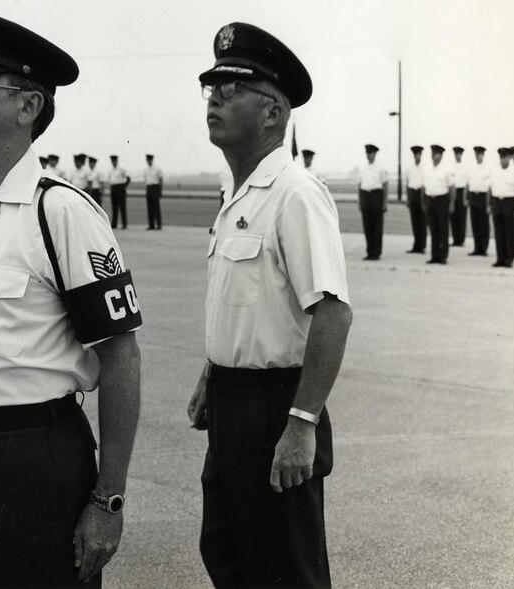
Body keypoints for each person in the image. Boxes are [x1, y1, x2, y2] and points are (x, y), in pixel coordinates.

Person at [0, 11, 142, 588]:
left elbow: (120, 354)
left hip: (33, 461)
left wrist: (108, 499)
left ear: (28, 106)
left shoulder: (61, 211)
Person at [189, 21, 352, 588]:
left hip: (276, 407)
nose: (215, 98)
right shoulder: (237, 193)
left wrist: (302, 424)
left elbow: (332, 313)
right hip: (232, 404)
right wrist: (213, 373)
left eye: (232, 89)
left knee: (285, 570)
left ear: (273, 113)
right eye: (211, 88)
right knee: (229, 556)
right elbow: (248, 303)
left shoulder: (295, 194)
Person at [489, 147, 514, 268]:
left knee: (509, 233)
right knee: (498, 233)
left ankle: (509, 259)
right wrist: (489, 205)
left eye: (505, 157)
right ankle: (500, 259)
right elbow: (490, 188)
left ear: (509, 158)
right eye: (501, 157)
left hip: (510, 202)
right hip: (497, 202)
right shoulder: (494, 170)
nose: (503, 160)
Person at [356, 143, 387, 260]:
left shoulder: (380, 168)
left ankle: (376, 252)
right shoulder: (362, 168)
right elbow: (359, 185)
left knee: (377, 227)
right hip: (365, 196)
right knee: (367, 226)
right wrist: (360, 201)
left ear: (375, 154)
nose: (369, 155)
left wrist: (384, 203)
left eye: (371, 153)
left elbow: (385, 185)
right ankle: (369, 251)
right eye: (367, 153)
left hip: (376, 196)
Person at [423, 144, 453, 264]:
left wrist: (451, 204)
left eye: (436, 154)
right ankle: (434, 255)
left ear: (440, 156)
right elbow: (424, 186)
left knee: (443, 229)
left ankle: (443, 256)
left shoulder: (446, 170)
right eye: (432, 153)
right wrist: (425, 202)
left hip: (442, 200)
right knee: (433, 229)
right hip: (430, 200)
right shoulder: (428, 169)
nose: (434, 156)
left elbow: (452, 188)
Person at [466, 146, 492, 256]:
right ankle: (477, 247)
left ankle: (484, 248)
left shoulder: (487, 168)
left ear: (483, 155)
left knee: (484, 223)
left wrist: (489, 203)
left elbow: (490, 187)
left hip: (483, 196)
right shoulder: (472, 168)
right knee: (475, 223)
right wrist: (467, 197)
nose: (478, 155)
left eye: (480, 153)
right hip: (473, 196)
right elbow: (468, 184)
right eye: (476, 153)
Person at [404, 145, 426, 254]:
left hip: (421, 195)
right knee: (415, 221)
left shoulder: (425, 168)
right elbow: (407, 184)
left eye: (419, 154)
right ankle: (416, 245)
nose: (417, 157)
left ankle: (422, 245)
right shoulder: (409, 168)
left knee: (422, 221)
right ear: (413, 155)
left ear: (421, 155)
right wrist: (407, 198)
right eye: (415, 155)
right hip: (412, 194)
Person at [449, 146, 469, 246]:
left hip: (462, 192)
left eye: (459, 154)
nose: (457, 156)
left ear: (461, 154)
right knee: (453, 217)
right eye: (456, 154)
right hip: (454, 192)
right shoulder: (451, 166)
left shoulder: (465, 167)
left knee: (462, 217)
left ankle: (461, 240)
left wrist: (465, 198)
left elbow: (466, 184)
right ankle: (455, 239)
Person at [108, 155, 130, 229]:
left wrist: (123, 186)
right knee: (114, 207)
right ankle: (114, 224)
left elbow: (128, 178)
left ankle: (124, 224)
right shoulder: (110, 170)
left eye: (115, 161)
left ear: (117, 161)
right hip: (113, 188)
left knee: (122, 207)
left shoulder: (121, 169)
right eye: (112, 161)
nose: (113, 162)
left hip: (120, 188)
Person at [144, 153, 163, 230]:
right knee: (150, 207)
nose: (149, 161)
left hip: (155, 188)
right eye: (148, 160)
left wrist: (160, 190)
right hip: (149, 188)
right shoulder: (145, 170)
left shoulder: (157, 169)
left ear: (152, 160)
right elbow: (146, 180)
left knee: (156, 207)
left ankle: (159, 225)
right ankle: (151, 225)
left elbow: (161, 180)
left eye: (150, 160)